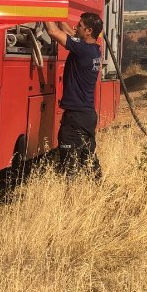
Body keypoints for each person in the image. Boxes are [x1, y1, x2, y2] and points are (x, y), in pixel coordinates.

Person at [45, 13, 104, 179]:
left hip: (75, 117)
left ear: (88, 31)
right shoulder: (93, 49)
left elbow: (53, 32)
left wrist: (43, 9)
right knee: (88, 158)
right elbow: (69, 32)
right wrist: (57, 12)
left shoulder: (83, 50)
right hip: (87, 115)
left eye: (79, 26)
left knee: (68, 165)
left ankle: (70, 200)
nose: (75, 27)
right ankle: (98, 189)